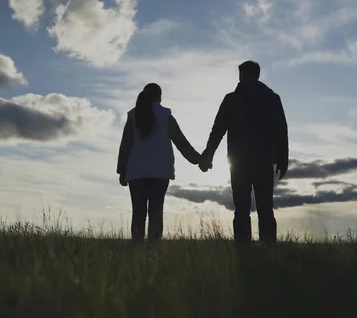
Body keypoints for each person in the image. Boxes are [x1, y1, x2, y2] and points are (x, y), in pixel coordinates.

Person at [199, 61, 289, 243]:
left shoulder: (232, 99)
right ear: (257, 75)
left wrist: (208, 156)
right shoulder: (272, 99)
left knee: (241, 208)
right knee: (265, 209)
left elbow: (217, 130)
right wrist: (283, 159)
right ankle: (268, 247)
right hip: (263, 161)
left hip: (239, 162)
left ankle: (243, 249)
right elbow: (282, 131)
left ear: (241, 75)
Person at [117, 83, 201, 242]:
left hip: (136, 173)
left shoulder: (133, 115)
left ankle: (137, 249)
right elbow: (181, 143)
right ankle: (153, 250)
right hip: (160, 173)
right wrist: (199, 160)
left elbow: (125, 145)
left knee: (138, 212)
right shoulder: (165, 116)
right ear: (159, 97)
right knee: (156, 212)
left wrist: (122, 171)